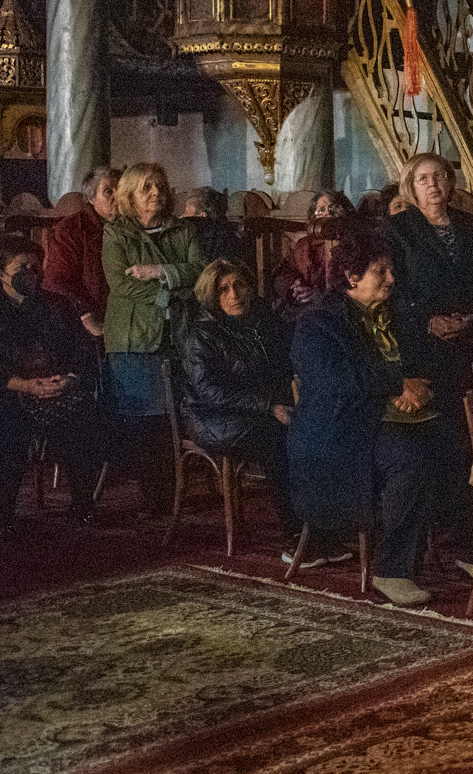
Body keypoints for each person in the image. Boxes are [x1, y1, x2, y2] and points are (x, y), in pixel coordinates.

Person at [287, 229, 473, 606]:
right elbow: (335, 380)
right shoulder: (319, 322)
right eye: (381, 271)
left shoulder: (397, 314)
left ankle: (467, 551)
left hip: (392, 419)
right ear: (351, 277)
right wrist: (398, 385)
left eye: (391, 270)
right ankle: (392, 570)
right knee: (412, 459)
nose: (391, 278)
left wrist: (422, 390)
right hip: (341, 431)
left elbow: (426, 363)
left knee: (458, 445)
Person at [181, 258, 329, 562]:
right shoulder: (201, 335)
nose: (234, 294)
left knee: (317, 431)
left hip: (259, 408)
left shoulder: (261, 321)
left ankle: (323, 528)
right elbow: (211, 391)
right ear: (211, 296)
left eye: (240, 285)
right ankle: (296, 538)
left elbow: (285, 362)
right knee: (278, 442)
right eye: (223, 289)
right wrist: (269, 407)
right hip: (213, 417)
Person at [0, 236, 104, 540]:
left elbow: (80, 351)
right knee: (5, 431)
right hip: (8, 393)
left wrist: (69, 379)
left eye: (34, 266)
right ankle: (2, 518)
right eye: (21, 267)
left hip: (55, 390)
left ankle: (83, 505)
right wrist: (22, 385)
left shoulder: (58, 305)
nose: (31, 272)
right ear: (1, 274)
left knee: (86, 419)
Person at [102, 163, 206, 516]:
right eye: (146, 187)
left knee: (176, 415)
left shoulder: (184, 230)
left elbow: (201, 274)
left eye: (160, 185)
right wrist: (171, 294)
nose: (156, 193)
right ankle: (156, 499)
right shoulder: (117, 233)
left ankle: (175, 492)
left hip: (179, 334)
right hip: (135, 338)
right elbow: (121, 284)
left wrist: (159, 271)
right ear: (129, 194)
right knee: (148, 421)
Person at [386, 154, 473, 433]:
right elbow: (392, 289)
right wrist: (428, 322)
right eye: (422, 179)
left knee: (470, 424)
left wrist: (471, 318)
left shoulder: (470, 225)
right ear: (411, 186)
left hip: (468, 337)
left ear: (450, 182)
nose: (432, 184)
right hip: (420, 339)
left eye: (439, 176)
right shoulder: (397, 229)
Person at [43, 165, 119, 337]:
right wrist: (86, 315)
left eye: (122, 190)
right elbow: (58, 279)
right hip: (87, 315)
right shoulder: (72, 228)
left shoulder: (130, 227)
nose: (118, 197)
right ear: (92, 197)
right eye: (108, 191)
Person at [272, 191, 355, 320]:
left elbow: (354, 285)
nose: (327, 214)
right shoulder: (303, 245)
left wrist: (320, 295)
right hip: (301, 310)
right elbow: (283, 272)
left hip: (336, 314)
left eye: (333, 208)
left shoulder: (352, 244)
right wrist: (293, 285)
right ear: (313, 216)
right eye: (321, 209)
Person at [178, 187, 245, 265]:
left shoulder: (197, 236)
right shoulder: (230, 233)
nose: (182, 215)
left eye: (186, 211)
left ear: (202, 215)